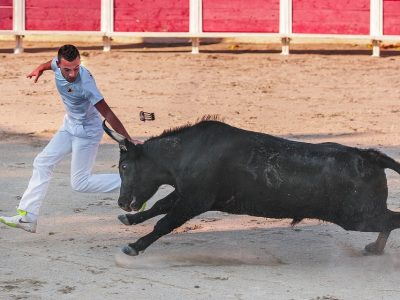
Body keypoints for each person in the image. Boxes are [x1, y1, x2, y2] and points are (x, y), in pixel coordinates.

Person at [0, 44, 138, 233]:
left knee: (80, 183)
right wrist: (39, 68)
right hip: (69, 126)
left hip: (87, 132)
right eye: (68, 69)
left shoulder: (85, 83)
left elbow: (108, 113)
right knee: (42, 162)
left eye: (76, 68)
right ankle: (28, 217)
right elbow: (51, 64)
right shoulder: (57, 65)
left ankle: (135, 184)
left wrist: (128, 139)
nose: (72, 74)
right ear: (60, 64)